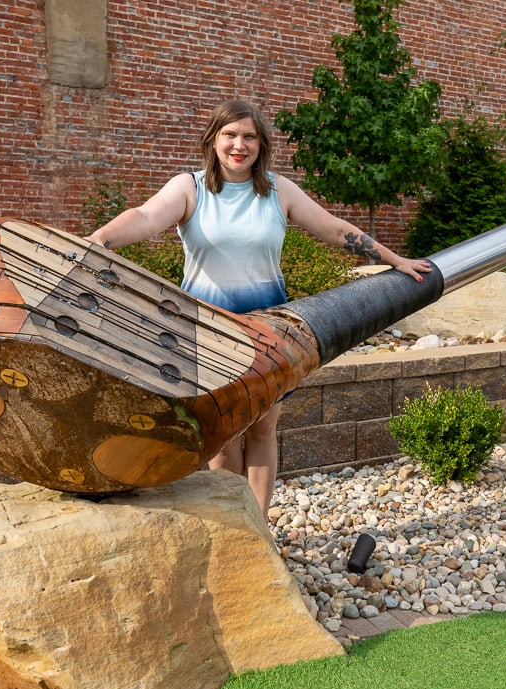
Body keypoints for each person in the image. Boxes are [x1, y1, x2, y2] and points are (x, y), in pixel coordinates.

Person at [86, 98, 431, 514]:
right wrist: (99, 241)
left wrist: (395, 260)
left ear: (261, 144)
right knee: (223, 432)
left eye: (249, 136)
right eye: (230, 135)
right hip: (209, 330)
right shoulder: (189, 188)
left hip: (270, 331)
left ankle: (261, 525)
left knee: (264, 430)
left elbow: (335, 229)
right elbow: (144, 216)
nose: (239, 145)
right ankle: (238, 523)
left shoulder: (278, 190)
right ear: (213, 140)